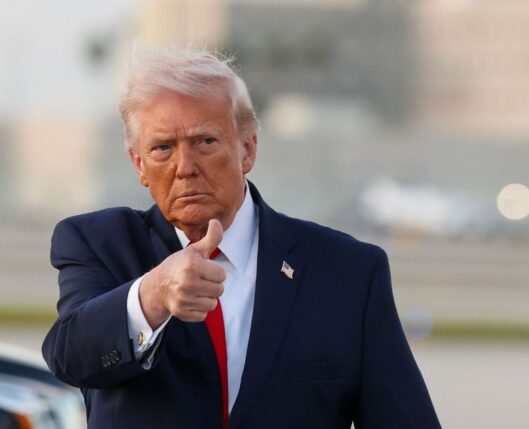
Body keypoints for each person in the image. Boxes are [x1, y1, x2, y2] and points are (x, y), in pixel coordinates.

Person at [42, 49, 440, 429]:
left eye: (205, 142)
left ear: (247, 149)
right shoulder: (99, 244)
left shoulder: (347, 272)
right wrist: (155, 294)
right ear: (139, 165)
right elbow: (70, 356)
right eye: (163, 148)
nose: (184, 167)